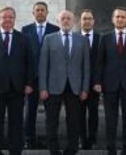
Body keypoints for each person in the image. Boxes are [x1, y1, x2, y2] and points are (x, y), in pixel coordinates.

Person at [0, 6, 36, 155]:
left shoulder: (24, 38)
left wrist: (29, 83)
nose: (7, 20)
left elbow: (30, 63)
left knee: (16, 122)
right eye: (4, 17)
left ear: (14, 20)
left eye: (10, 17)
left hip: (17, 88)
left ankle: (15, 150)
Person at [94, 7, 126, 155]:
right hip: (109, 85)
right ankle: (111, 149)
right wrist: (97, 82)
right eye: (117, 17)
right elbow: (99, 62)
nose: (120, 19)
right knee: (111, 120)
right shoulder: (105, 38)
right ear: (113, 19)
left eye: (123, 17)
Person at [39, 10, 91, 155]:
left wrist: (85, 89)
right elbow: (43, 65)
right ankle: (53, 149)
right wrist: (43, 87)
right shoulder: (49, 39)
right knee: (51, 120)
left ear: (73, 22)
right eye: (63, 18)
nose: (66, 21)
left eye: (69, 18)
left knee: (74, 120)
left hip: (75, 87)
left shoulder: (82, 40)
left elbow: (86, 66)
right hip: (53, 87)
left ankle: (72, 148)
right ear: (58, 21)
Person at [22, 1, 60, 149]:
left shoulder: (55, 29)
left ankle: (51, 140)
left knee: (51, 113)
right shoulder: (26, 30)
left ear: (47, 12)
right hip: (31, 78)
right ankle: (28, 140)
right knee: (29, 110)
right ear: (33, 13)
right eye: (37, 10)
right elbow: (23, 55)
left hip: (49, 79)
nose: (40, 12)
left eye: (42, 10)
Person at [79, 9, 101, 149]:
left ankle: (92, 139)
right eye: (84, 19)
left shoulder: (101, 39)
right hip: (78, 84)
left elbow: (102, 63)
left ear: (93, 21)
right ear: (80, 21)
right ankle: (82, 139)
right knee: (79, 113)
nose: (87, 21)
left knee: (93, 113)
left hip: (95, 84)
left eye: (89, 19)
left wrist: (98, 82)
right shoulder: (74, 37)